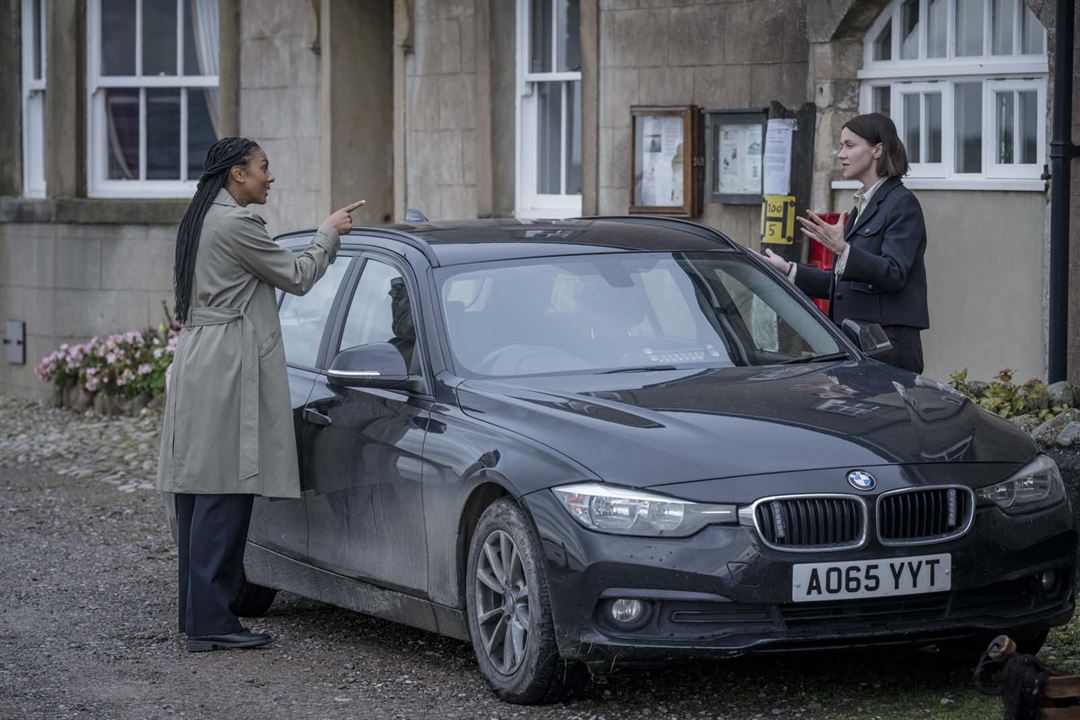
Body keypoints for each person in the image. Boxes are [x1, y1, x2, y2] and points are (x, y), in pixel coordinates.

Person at [156, 136, 363, 652]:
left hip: (203, 354)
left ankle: (201, 615)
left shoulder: (204, 216)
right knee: (225, 490)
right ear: (236, 175)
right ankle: (211, 622)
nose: (270, 177)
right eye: (263, 168)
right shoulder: (236, 223)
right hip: (226, 362)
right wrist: (327, 233)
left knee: (202, 491)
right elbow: (295, 275)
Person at [758, 113, 929, 374]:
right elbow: (845, 286)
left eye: (849, 145)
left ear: (878, 150)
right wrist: (789, 270)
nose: (840, 154)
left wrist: (843, 250)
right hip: (855, 343)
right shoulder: (863, 203)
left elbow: (894, 273)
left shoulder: (901, 203)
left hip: (887, 347)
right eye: (841, 146)